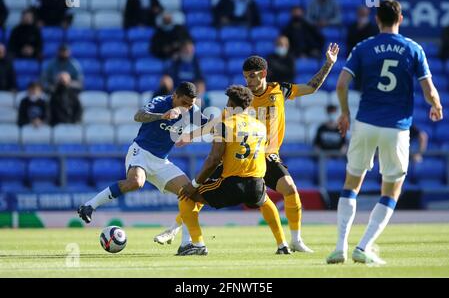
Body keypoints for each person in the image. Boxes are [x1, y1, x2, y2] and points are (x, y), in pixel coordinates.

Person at [155, 45, 340, 252]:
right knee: (198, 192)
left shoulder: (280, 90)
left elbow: (311, 87)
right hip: (241, 157)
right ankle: (174, 227)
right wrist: (191, 135)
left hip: (267, 156)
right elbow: (217, 122)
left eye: (252, 77)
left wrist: (328, 64)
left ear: (263, 74)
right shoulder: (242, 100)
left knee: (289, 189)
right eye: (246, 77)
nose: (249, 82)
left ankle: (295, 240)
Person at [326, 0, 443, 265]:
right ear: (400, 19)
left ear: (377, 20)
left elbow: (342, 84)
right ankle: (364, 246)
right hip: (396, 128)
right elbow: (428, 89)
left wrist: (344, 113)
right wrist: (436, 105)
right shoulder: (413, 48)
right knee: (390, 191)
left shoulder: (363, 47)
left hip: (365, 123)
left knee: (351, 185)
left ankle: (340, 247)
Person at [177, 85, 290, 255]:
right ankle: (283, 245)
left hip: (232, 185)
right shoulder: (260, 126)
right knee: (266, 201)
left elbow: (213, 159)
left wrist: (194, 183)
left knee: (186, 196)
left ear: (230, 103)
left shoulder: (224, 125)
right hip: (257, 184)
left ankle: (198, 245)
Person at [77, 82, 210, 226]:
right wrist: (162, 116)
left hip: (161, 162)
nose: (187, 107)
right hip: (140, 152)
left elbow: (209, 125)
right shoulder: (160, 102)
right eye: (184, 103)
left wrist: (191, 136)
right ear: (175, 95)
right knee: (136, 182)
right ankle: (89, 206)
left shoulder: (192, 110)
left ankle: (186, 242)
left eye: (190, 104)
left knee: (189, 194)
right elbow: (138, 116)